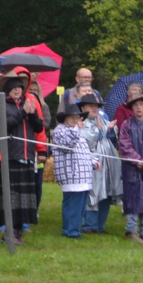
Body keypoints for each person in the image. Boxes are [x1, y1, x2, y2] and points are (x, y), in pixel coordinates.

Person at [0, 70, 45, 236]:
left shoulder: (30, 103)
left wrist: (32, 115)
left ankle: (19, 231)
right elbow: (3, 125)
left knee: (24, 198)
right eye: (14, 88)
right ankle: (8, 233)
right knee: (10, 197)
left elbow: (39, 127)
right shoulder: (2, 105)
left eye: (19, 87)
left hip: (27, 156)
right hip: (9, 156)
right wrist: (23, 112)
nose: (17, 90)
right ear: (8, 90)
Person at [116, 86, 143, 242]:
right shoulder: (127, 125)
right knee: (133, 196)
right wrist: (137, 160)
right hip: (131, 168)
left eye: (141, 104)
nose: (138, 107)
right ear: (132, 108)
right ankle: (131, 230)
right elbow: (124, 145)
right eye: (135, 105)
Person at [49, 98, 98, 238]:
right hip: (71, 175)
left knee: (80, 206)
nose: (76, 120)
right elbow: (68, 145)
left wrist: (93, 161)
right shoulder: (60, 131)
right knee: (73, 205)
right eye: (73, 118)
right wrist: (77, 129)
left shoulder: (77, 131)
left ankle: (75, 229)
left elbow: (85, 150)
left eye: (78, 118)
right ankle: (70, 231)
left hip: (83, 176)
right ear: (65, 118)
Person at [80, 90, 119, 233]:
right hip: (92, 164)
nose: (94, 108)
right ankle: (89, 225)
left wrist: (110, 130)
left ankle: (100, 225)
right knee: (93, 192)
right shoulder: (81, 122)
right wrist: (101, 131)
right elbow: (87, 140)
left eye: (96, 105)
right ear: (83, 108)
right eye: (90, 106)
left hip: (108, 163)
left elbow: (114, 137)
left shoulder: (102, 119)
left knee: (106, 192)